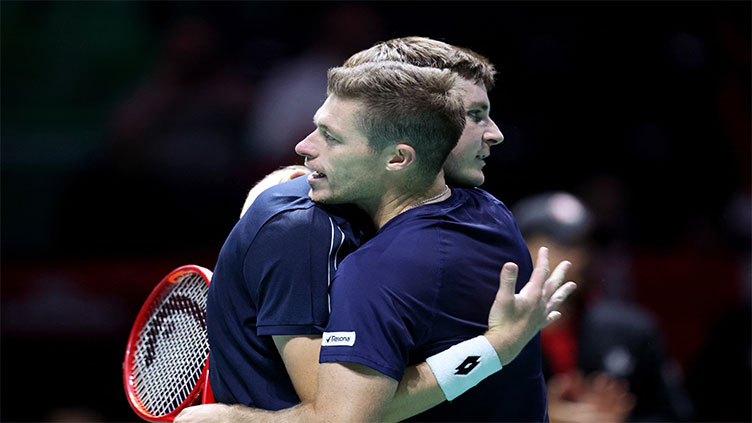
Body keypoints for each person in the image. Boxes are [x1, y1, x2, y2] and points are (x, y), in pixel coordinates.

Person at [177, 60, 575, 422]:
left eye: (329, 136)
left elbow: (344, 416)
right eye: (471, 116)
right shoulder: (492, 213)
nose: (494, 134)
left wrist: (231, 420)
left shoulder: (372, 270)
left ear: (399, 157)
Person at [512, 191, 693, 422]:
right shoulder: (481, 332)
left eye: (583, 244)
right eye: (560, 244)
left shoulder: (633, 330)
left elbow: (674, 414)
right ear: (517, 246)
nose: (579, 256)